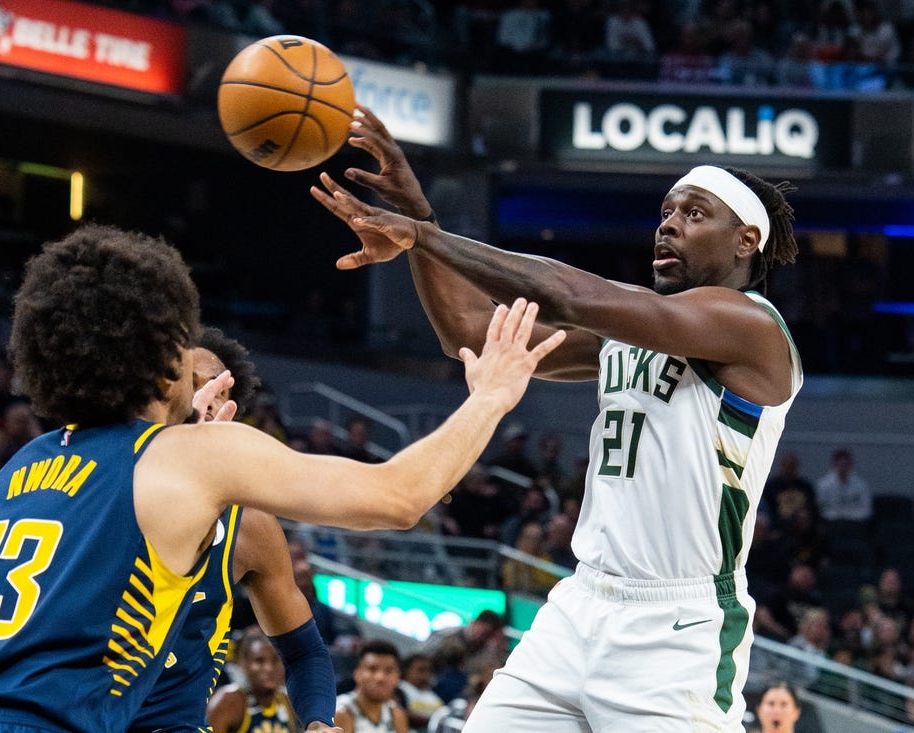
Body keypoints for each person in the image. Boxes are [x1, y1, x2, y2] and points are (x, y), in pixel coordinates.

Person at [314, 105, 802, 731]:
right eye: (667, 213)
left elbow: (571, 295)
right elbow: (468, 331)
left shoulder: (752, 327)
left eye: (694, 214)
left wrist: (423, 237)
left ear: (745, 241)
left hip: (675, 629)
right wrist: (419, 220)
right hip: (579, 605)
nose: (669, 226)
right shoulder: (626, 337)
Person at [0, 223, 563, 731]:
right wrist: (491, 396)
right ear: (155, 365)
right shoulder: (192, 456)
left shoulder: (16, 470)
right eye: (181, 347)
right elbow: (399, 496)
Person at [131, 328, 337, 733]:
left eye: (217, 392)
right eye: (190, 385)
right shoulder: (98, 478)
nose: (203, 400)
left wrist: (317, 721)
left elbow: (304, 652)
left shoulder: (250, 526)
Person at [206, 628, 297, 733]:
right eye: (259, 661)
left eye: (275, 660)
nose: (269, 668)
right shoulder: (229, 700)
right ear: (243, 664)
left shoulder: (288, 700)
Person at [334, 639, 409, 733]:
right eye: (372, 669)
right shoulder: (340, 713)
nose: (380, 678)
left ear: (397, 677)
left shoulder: (397, 715)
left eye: (388, 670)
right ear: (357, 674)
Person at [814, 448, 873, 522]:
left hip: (855, 523)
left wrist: (848, 516)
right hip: (831, 523)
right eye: (841, 464)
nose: (843, 468)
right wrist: (837, 515)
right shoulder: (823, 484)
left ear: (851, 465)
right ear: (834, 464)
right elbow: (820, 509)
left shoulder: (861, 485)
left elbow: (867, 510)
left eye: (846, 464)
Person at [397, 653, 446, 733]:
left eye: (429, 671)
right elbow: (403, 715)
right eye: (421, 670)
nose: (426, 675)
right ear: (406, 670)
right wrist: (435, 720)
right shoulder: (400, 689)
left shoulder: (433, 695)